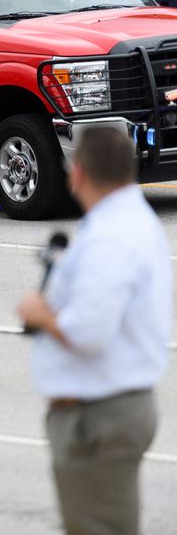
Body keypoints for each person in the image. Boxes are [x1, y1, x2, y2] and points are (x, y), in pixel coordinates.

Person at [17, 127, 172, 535]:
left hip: (98, 417)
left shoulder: (111, 237)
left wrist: (39, 313)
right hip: (108, 410)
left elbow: (88, 332)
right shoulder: (129, 221)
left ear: (78, 172)